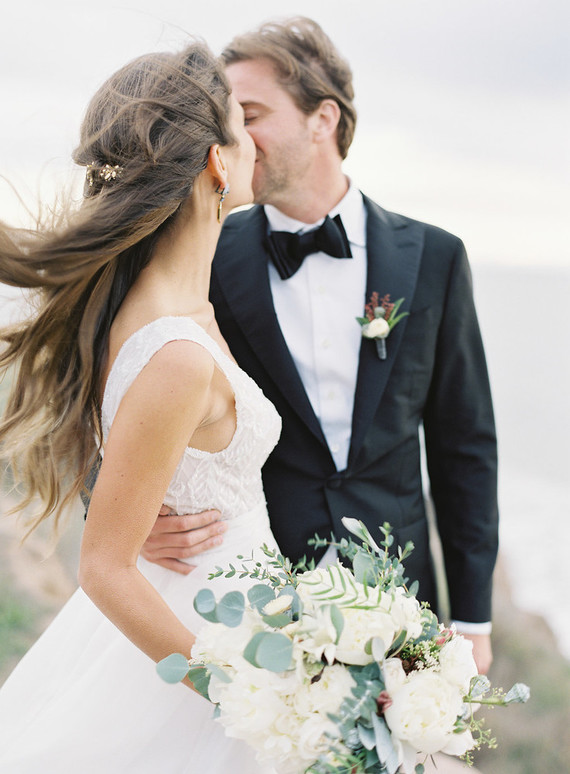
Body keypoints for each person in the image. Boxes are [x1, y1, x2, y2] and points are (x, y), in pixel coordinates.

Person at [142, 17, 499, 675]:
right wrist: (124, 515)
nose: (233, 138)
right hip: (253, 595)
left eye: (250, 114)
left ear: (322, 119)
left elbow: (465, 449)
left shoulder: (436, 258)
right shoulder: (206, 255)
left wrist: (473, 619)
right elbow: (123, 378)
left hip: (402, 601)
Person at [0, 42, 279, 772]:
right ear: (217, 163)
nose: (256, 141)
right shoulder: (175, 351)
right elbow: (104, 567)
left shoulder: (174, 310)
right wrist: (241, 693)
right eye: (243, 124)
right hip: (200, 648)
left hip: (235, 610)